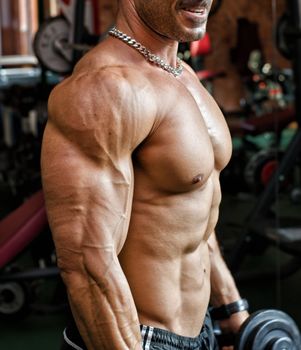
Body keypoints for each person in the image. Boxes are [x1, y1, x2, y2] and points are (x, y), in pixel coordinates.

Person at [41, 0, 249, 349]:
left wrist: (230, 308)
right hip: (134, 337)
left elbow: (195, 215)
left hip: (203, 330)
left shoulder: (184, 75)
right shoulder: (104, 88)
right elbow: (89, 265)